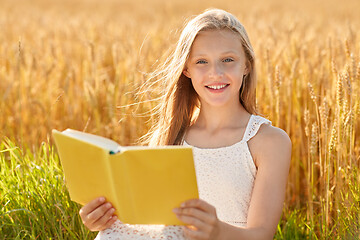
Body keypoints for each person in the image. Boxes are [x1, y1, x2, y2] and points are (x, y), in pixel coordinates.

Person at [79, 8, 291, 240]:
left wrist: (217, 231)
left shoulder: (269, 141)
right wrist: (105, 219)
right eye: (202, 61)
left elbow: (261, 235)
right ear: (186, 69)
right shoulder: (171, 136)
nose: (216, 73)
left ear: (247, 65)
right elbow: (152, 219)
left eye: (228, 60)